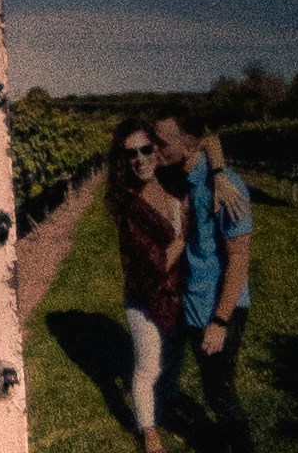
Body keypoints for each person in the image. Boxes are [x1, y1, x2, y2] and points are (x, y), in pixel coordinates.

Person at [147, 109, 256, 444]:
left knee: (219, 392)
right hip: (193, 301)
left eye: (161, 142)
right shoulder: (183, 175)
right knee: (211, 386)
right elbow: (211, 139)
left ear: (189, 144)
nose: (154, 148)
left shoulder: (226, 188)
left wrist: (220, 321)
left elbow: (239, 258)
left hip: (218, 307)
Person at [106, 119, 187, 443]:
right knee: (148, 367)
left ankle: (163, 410)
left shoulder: (173, 185)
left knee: (173, 363)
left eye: (145, 148)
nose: (139, 158)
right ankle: (150, 434)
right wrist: (181, 241)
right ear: (124, 161)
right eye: (130, 154)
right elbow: (154, 265)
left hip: (177, 293)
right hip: (145, 297)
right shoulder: (130, 206)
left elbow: (207, 142)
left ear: (157, 148)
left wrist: (221, 174)